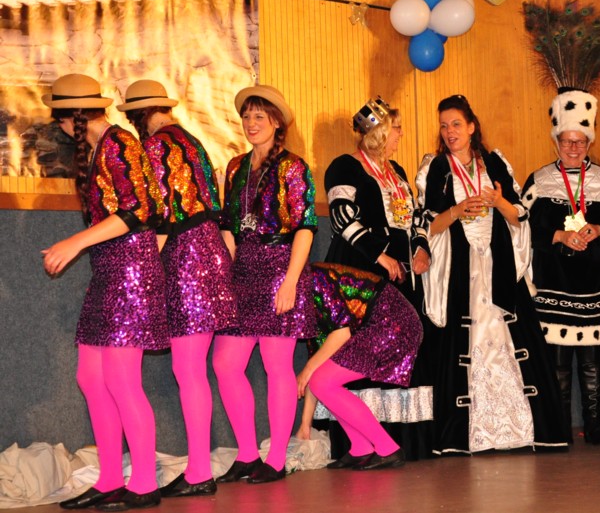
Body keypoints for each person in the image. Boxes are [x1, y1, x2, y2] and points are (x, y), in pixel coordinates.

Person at [41, 74, 168, 511]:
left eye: (59, 115)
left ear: (72, 116)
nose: (58, 125)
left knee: (121, 380)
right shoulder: (101, 148)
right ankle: (112, 477)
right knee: (91, 377)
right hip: (110, 270)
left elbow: (138, 210)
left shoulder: (120, 143)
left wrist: (74, 243)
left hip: (130, 271)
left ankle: (144, 483)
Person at [416, 95, 569, 454]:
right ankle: (467, 434)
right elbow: (427, 225)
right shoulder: (435, 169)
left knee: (516, 342)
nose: (450, 131)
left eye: (456, 124)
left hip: (498, 264)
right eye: (444, 126)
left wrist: (498, 201)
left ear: (472, 126)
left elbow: (519, 215)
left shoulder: (495, 163)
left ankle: (521, 429)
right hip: (459, 271)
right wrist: (457, 210)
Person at [118, 80, 236, 495]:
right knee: (193, 370)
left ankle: (200, 472)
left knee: (188, 370)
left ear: (138, 116)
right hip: (211, 254)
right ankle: (199, 468)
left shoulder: (154, 147)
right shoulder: (194, 142)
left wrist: (142, 267)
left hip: (187, 258)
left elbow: (163, 218)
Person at [300, 97, 434, 461]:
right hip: (361, 272)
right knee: (350, 354)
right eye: (396, 128)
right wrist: (380, 255)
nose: (401, 135)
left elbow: (416, 219)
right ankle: (359, 445)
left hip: (399, 275)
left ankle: (384, 443)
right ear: (380, 132)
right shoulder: (345, 166)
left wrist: (421, 249)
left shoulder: (398, 172)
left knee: (384, 355)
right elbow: (343, 218)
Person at [520, 88, 600, 445]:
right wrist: (558, 235)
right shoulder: (539, 180)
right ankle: (559, 427)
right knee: (557, 360)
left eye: (580, 141)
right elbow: (523, 229)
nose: (573, 148)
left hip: (594, 282)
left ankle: (595, 426)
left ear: (589, 141)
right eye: (567, 141)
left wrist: (599, 229)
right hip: (554, 281)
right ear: (556, 141)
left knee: (591, 359)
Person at [213, 84, 318, 484]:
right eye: (247, 116)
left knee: (277, 366)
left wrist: (290, 281)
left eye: (259, 116)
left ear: (276, 123)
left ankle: (275, 459)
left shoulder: (294, 167)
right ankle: (246, 454)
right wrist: (226, 273)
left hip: (279, 267)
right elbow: (228, 227)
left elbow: (305, 227)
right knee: (225, 364)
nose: (251, 123)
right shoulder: (236, 167)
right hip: (243, 270)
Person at [297, 263, 423, 470]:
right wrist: (305, 425)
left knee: (322, 381)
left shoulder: (311, 280)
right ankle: (361, 448)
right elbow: (316, 366)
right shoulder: (302, 308)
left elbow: (341, 333)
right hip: (379, 324)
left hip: (393, 322)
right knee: (322, 380)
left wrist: (307, 370)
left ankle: (388, 449)